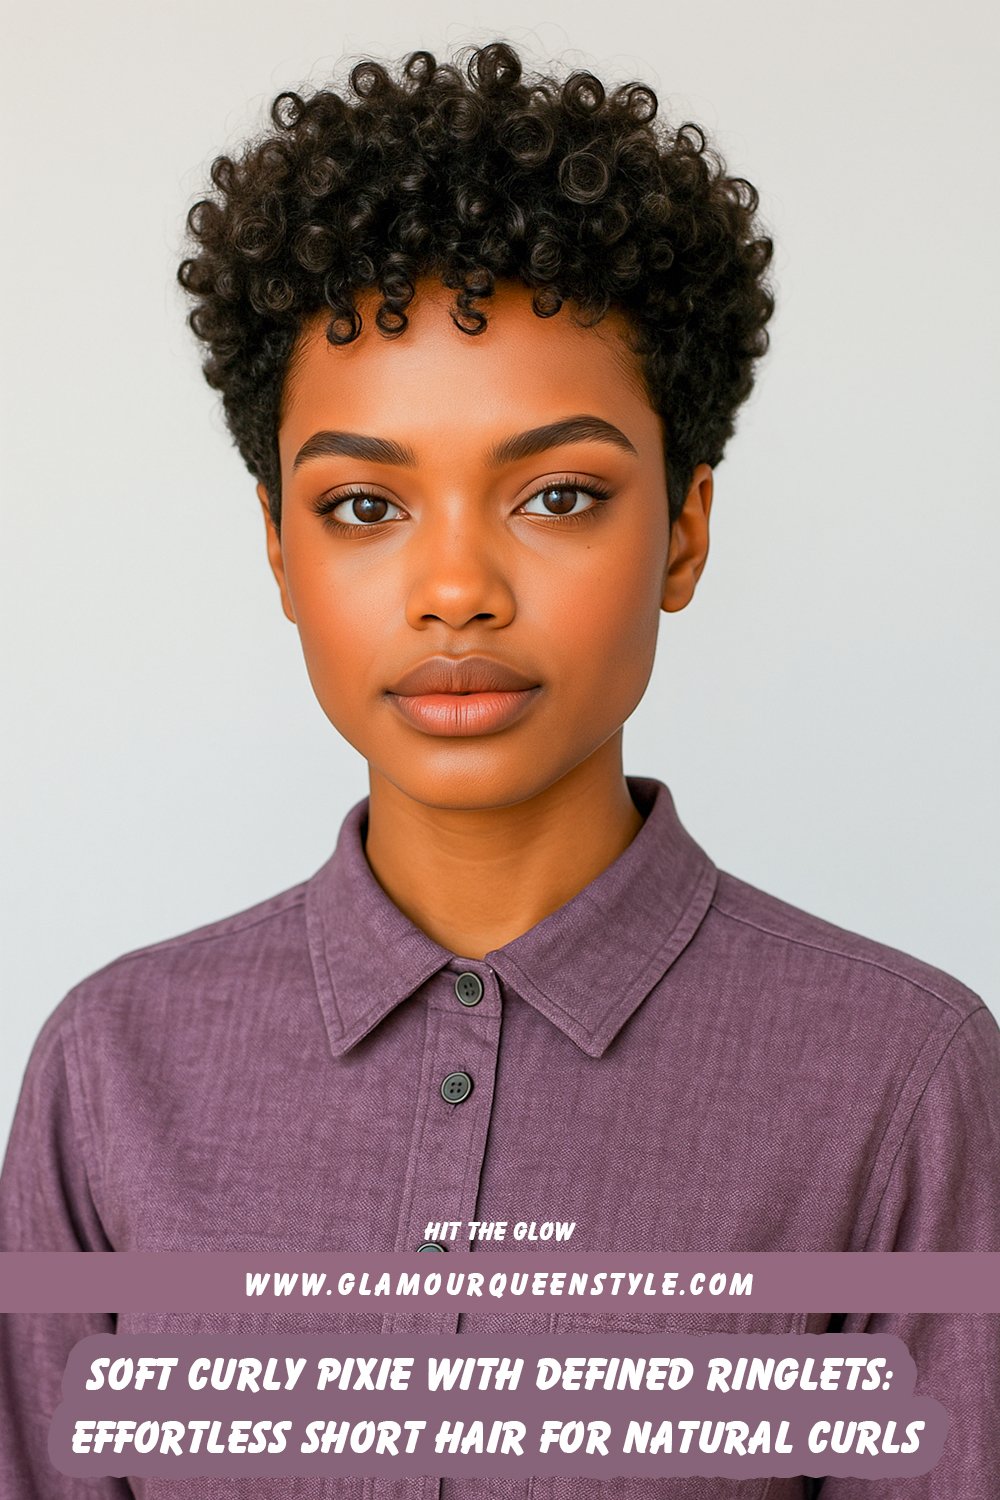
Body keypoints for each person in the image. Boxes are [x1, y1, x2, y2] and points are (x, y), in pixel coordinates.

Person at [1, 37, 998, 1500]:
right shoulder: (110, 1078)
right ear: (279, 547)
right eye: (362, 504)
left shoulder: (899, 1083)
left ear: (683, 532)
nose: (454, 589)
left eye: (558, 495)